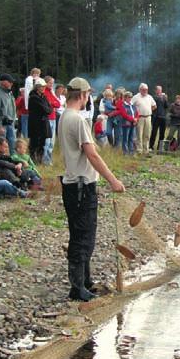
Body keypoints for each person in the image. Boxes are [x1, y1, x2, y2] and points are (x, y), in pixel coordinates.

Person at [58, 77, 125, 302]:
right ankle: (77, 288)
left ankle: (85, 281)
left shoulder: (65, 116)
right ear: (84, 95)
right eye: (89, 95)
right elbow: (92, 154)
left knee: (83, 234)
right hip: (80, 186)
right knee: (83, 237)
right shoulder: (77, 120)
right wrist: (113, 180)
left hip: (74, 185)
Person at [0, 73, 17, 154]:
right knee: (0, 147)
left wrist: (14, 120)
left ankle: (14, 163)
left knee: (13, 145)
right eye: (10, 81)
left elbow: (13, 108)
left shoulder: (9, 93)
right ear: (3, 82)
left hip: (10, 123)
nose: (11, 83)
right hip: (2, 125)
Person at [28, 78, 52, 164]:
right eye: (41, 87)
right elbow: (46, 110)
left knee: (42, 144)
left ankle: (39, 161)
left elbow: (49, 109)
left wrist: (47, 109)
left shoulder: (43, 97)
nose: (43, 88)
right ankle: (33, 161)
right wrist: (47, 109)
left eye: (44, 86)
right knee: (34, 144)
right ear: (37, 87)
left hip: (42, 123)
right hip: (36, 124)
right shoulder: (33, 97)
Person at [131, 83, 156, 155]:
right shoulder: (136, 97)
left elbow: (154, 106)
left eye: (146, 90)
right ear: (140, 90)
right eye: (144, 89)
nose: (145, 91)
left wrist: (148, 110)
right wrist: (136, 115)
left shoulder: (149, 97)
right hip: (140, 117)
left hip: (148, 117)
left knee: (147, 134)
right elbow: (131, 106)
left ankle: (146, 150)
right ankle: (139, 150)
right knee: (139, 134)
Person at [43, 76, 61, 165]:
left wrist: (52, 104)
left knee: (51, 142)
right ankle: (45, 160)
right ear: (45, 83)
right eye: (50, 83)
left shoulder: (51, 92)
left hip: (53, 118)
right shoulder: (44, 92)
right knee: (47, 140)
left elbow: (58, 103)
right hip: (47, 118)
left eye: (52, 83)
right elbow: (47, 104)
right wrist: (52, 104)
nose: (52, 85)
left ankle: (49, 160)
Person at [23, 68, 41, 138]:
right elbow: (29, 91)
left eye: (37, 73)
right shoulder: (29, 80)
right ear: (32, 73)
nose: (36, 75)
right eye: (35, 73)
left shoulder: (39, 80)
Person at [149, 85, 168, 150]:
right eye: (159, 90)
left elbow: (166, 106)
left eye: (161, 90)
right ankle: (151, 146)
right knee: (154, 132)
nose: (160, 91)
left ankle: (159, 147)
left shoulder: (163, 97)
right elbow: (154, 103)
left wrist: (165, 99)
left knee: (162, 133)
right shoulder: (154, 97)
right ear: (156, 91)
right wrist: (160, 97)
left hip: (163, 117)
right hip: (156, 117)